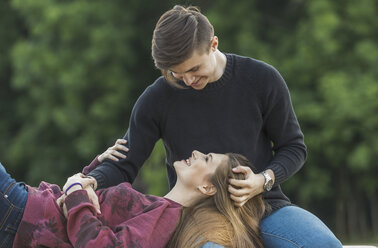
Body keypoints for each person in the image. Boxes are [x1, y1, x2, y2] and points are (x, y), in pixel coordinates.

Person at [85, 5, 342, 247]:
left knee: (323, 244)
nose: (187, 80)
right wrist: (91, 181)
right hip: (197, 215)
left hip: (263, 205)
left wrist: (263, 180)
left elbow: (293, 147)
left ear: (213, 44)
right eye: (176, 72)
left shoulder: (262, 79)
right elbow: (123, 163)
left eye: (195, 69)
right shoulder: (156, 99)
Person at [0, 140, 267, 248]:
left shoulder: (166, 219)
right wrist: (93, 173)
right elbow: (95, 214)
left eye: (207, 158)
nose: (196, 153)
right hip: (24, 212)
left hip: (23, 214)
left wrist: (74, 190)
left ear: (208, 188)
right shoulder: (160, 207)